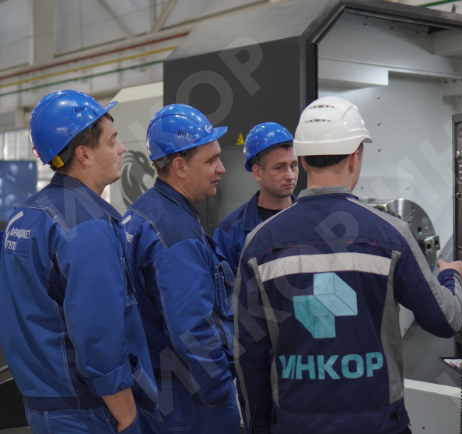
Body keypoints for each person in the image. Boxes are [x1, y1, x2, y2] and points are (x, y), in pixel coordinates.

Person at [234, 96, 462, 434]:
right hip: (377, 424)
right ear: (356, 155)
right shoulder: (390, 234)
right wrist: (451, 276)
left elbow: (249, 356)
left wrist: (261, 428)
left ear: (303, 159)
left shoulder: (259, 243)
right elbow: (446, 319)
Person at [0, 90, 157, 434]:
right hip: (87, 410)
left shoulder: (25, 214)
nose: (122, 149)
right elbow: (98, 333)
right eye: (112, 141)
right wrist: (127, 414)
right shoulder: (85, 224)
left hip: (42, 403)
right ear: (84, 154)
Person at [122, 104, 241, 433]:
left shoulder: (142, 211)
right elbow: (191, 331)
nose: (221, 168)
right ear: (179, 166)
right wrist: (220, 391)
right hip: (191, 401)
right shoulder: (175, 232)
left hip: (155, 389)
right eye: (211, 160)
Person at [215, 122, 298, 275]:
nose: (290, 175)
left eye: (293, 165)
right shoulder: (230, 232)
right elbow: (223, 287)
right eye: (280, 167)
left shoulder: (312, 219)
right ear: (257, 173)